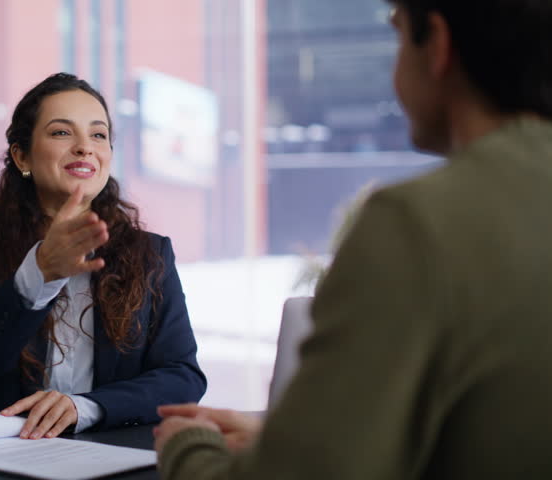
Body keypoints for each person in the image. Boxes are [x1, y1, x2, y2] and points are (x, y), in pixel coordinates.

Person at [154, 0, 552, 478]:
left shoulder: (416, 222)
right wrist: (281, 437)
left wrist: (188, 446)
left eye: (398, 36)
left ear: (438, 46)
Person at [0, 73, 206, 440]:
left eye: (98, 135)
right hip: (10, 450)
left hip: (114, 453)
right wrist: (38, 273)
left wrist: (85, 407)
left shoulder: (151, 253)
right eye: (61, 132)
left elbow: (183, 377)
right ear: (22, 156)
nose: (85, 147)